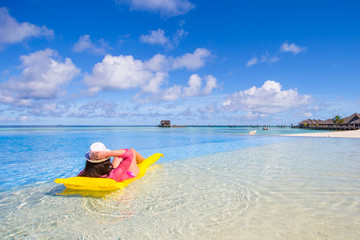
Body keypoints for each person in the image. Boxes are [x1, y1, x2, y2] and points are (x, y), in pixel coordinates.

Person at [78, 142, 146, 182]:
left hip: (113, 172)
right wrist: (106, 154)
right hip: (130, 174)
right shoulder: (113, 175)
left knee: (121, 150)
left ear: (89, 162)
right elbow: (129, 153)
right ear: (106, 160)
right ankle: (145, 161)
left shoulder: (84, 173)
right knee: (132, 151)